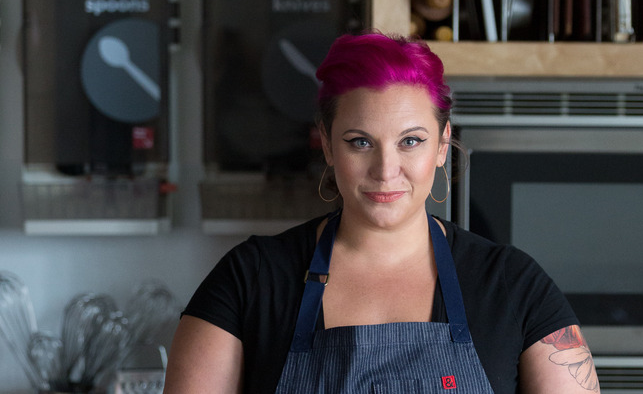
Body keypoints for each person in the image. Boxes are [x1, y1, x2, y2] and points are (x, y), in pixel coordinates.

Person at [163, 31, 600, 393]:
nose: (386, 170)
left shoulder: (513, 285)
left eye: (411, 141)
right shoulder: (250, 279)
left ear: (443, 145)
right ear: (328, 144)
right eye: (360, 141)